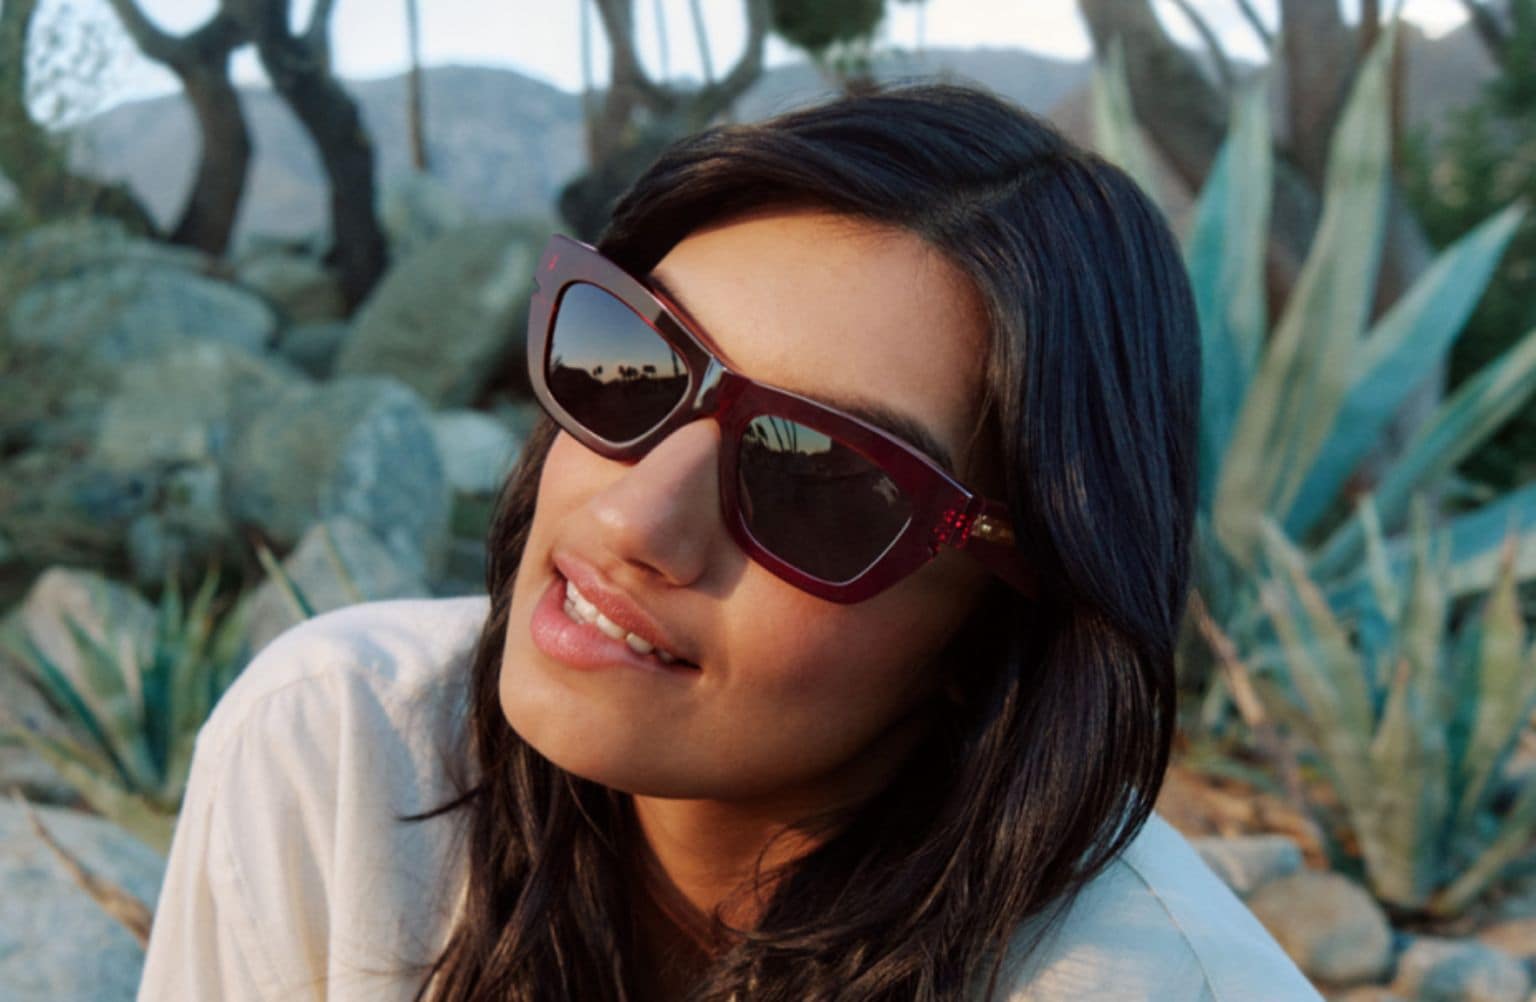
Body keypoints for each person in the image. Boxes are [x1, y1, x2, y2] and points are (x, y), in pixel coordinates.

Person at [138, 83, 1321, 1001]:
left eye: (820, 479)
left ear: (1002, 621)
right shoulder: (344, 755)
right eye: (629, 363)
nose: (632, 519)